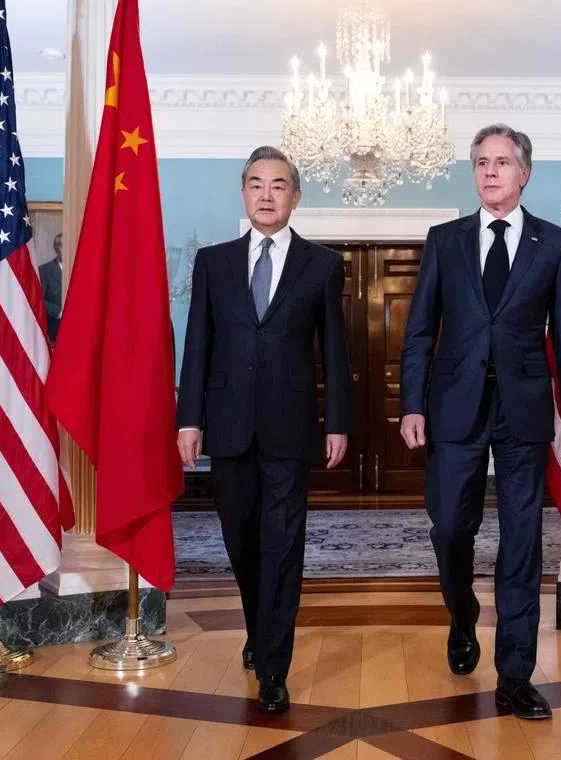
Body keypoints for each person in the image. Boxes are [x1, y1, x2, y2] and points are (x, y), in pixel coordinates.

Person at [399, 124, 561, 720]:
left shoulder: (553, 245)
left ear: (524, 173)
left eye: (502, 163)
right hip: (454, 407)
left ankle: (514, 675)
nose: (489, 172)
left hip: (524, 412)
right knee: (449, 530)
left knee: (522, 543)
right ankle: (461, 617)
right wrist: (411, 403)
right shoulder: (445, 240)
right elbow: (420, 331)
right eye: (481, 162)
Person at [176, 146, 350, 714]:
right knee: (241, 543)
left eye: (279, 185)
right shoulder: (214, 262)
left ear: (295, 197)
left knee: (282, 546)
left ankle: (274, 666)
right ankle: (259, 628)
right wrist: (189, 418)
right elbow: (198, 343)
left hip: (290, 428)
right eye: (257, 184)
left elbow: (335, 351)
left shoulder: (321, 265)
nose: (267, 195)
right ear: (244, 194)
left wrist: (338, 422)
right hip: (226, 426)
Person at [39, 232, 63, 342]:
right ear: (56, 248)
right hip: (55, 327)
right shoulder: (45, 270)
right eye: (62, 245)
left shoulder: (83, 268)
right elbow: (39, 299)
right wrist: (59, 312)